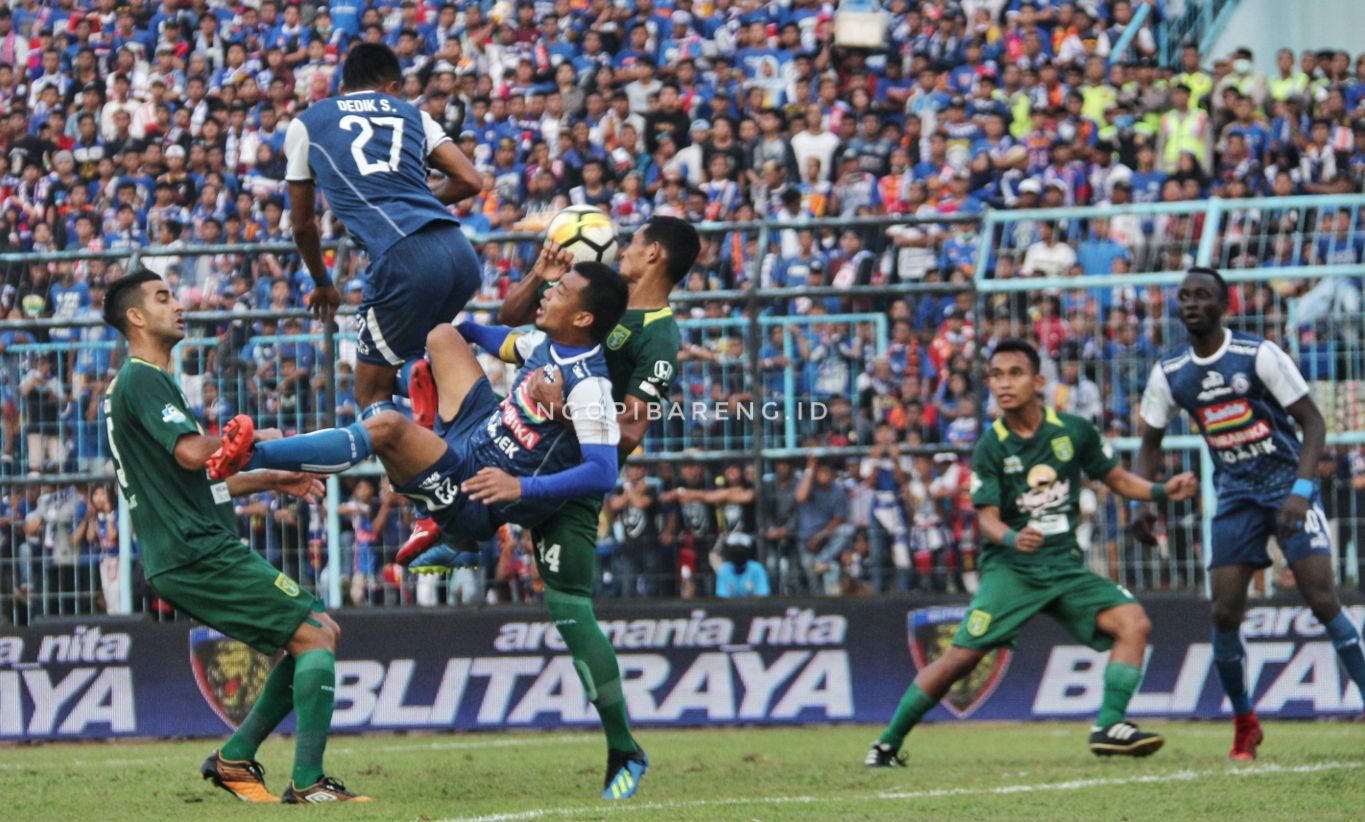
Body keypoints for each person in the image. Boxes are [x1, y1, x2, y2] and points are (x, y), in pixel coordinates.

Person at [406, 216, 700, 800]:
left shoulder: (658, 335)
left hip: (569, 477)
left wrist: (565, 411)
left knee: (569, 610)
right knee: (448, 431)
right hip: (522, 445)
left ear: (655, 256)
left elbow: (630, 432)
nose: (623, 248)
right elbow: (515, 325)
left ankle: (624, 748)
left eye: (634, 242)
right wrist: (541, 279)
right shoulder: (586, 295)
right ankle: (460, 532)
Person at [867, 339, 1197, 767]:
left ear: (1038, 381)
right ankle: (887, 745)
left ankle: (1110, 725)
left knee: (1133, 622)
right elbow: (984, 518)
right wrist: (1010, 538)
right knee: (960, 659)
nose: (1004, 384)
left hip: (1062, 567)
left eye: (1015, 374)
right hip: (1011, 570)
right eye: (996, 376)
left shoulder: (1074, 431)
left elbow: (1115, 477)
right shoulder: (991, 445)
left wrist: (1159, 491)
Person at [100, 269, 364, 803]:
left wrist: (269, 475)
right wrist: (258, 441)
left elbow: (198, 475)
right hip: (193, 549)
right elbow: (195, 454)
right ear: (135, 317)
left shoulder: (141, 384)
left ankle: (236, 758)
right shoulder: (142, 378)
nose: (178, 304)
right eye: (162, 297)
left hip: (184, 549)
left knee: (313, 635)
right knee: (316, 633)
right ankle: (308, 783)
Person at [208, 263, 629, 547]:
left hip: (478, 489)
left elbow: (603, 471)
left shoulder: (590, 388)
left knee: (388, 427)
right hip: (476, 429)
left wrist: (520, 487)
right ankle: (425, 413)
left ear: (583, 319)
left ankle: (255, 453)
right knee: (443, 336)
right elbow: (490, 336)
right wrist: (453, 324)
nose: (550, 292)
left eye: (563, 291)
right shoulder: (543, 344)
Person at [1135, 266, 1365, 760]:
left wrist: (1302, 490)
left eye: (1202, 296)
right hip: (1235, 495)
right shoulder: (1170, 373)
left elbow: (1314, 423)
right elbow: (1149, 442)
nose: (1191, 303)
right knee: (1223, 612)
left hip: (1287, 487)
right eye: (1185, 296)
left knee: (1323, 600)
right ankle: (1245, 722)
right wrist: (1143, 500)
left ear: (1225, 307)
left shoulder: (1257, 355)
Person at [284, 42, 482, 419]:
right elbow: (471, 180)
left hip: (403, 257)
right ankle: (442, 409)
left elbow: (303, 227)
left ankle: (414, 471)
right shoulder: (411, 113)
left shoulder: (309, 121)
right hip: (459, 253)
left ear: (345, 85)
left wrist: (323, 281)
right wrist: (422, 204)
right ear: (391, 86)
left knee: (370, 392)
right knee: (410, 357)